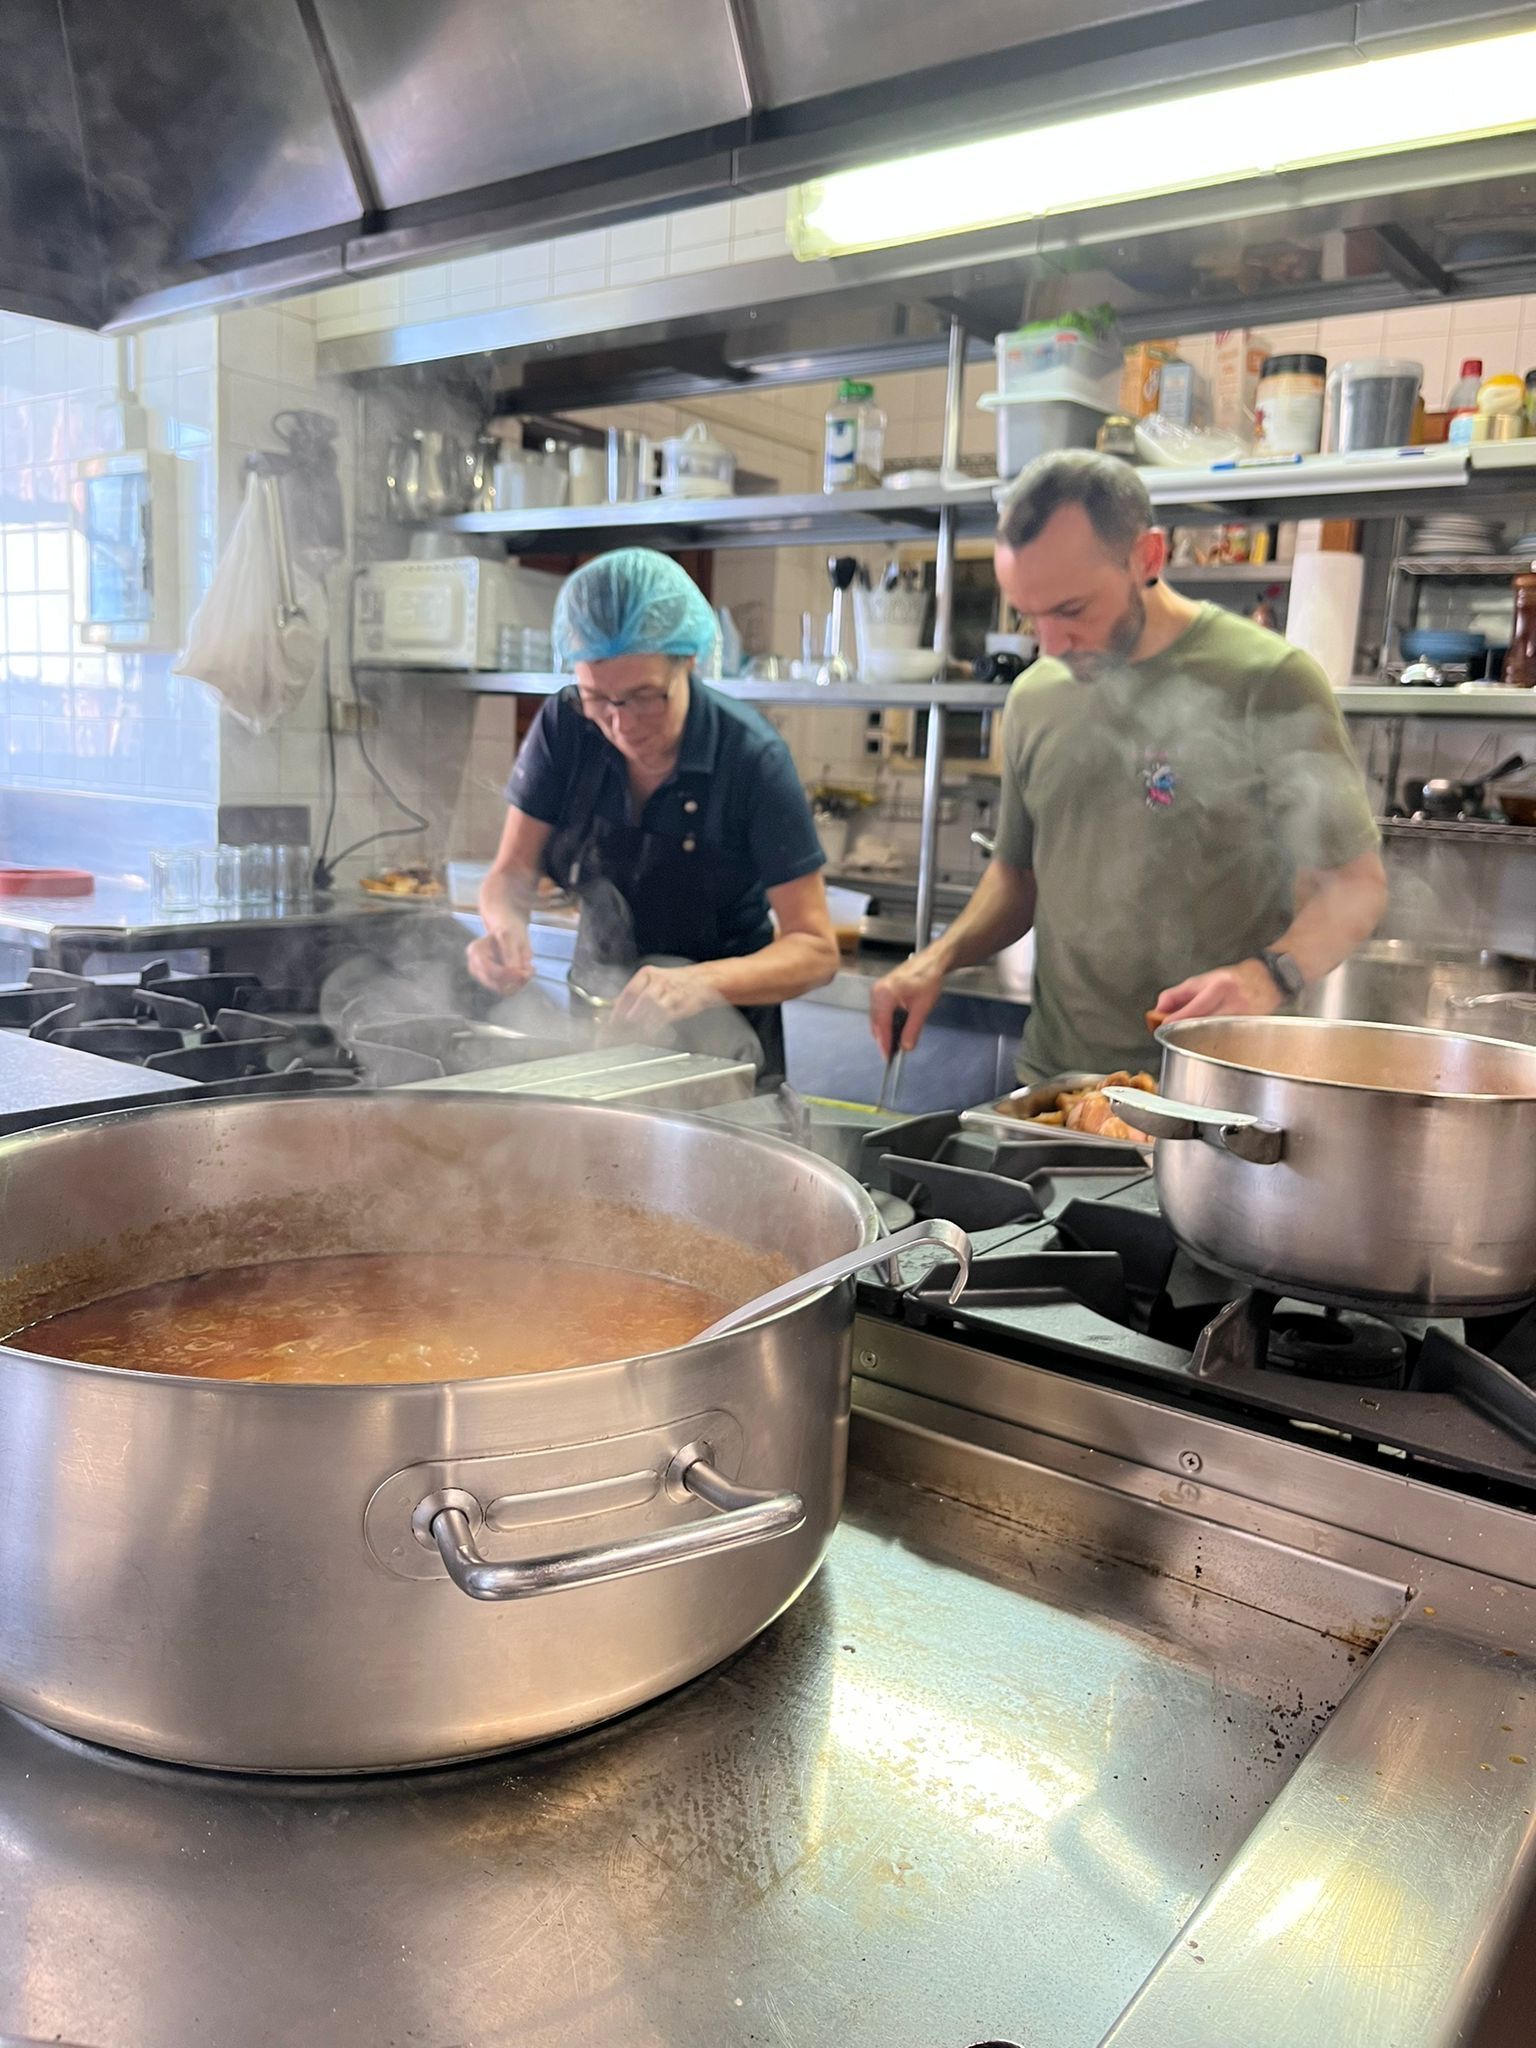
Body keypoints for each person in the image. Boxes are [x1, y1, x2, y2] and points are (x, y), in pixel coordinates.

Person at [870, 449, 1386, 1081]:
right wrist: (938, 959)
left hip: (1216, 1093)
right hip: (1056, 1087)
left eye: (1071, 610)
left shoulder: (1268, 680)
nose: (1050, 645)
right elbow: (1017, 877)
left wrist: (1268, 975)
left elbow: (1355, 886)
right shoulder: (1036, 695)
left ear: (1147, 558)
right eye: (1029, 615)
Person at [467, 547, 838, 1080]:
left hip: (721, 1053)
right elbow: (512, 872)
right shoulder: (565, 727)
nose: (620, 723)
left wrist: (698, 983)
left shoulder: (751, 758)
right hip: (597, 1030)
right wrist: (503, 930)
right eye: (599, 698)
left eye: (644, 696)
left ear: (688, 660)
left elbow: (816, 949)